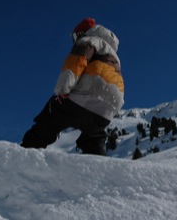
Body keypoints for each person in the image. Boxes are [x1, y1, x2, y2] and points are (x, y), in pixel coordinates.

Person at [19, 18, 124, 156]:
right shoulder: (114, 56)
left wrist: (62, 89)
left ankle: (28, 149)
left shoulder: (88, 40)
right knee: (93, 135)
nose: (74, 40)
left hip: (88, 94)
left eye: (75, 36)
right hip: (109, 107)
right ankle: (98, 161)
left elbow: (76, 63)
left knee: (52, 113)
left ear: (82, 33)